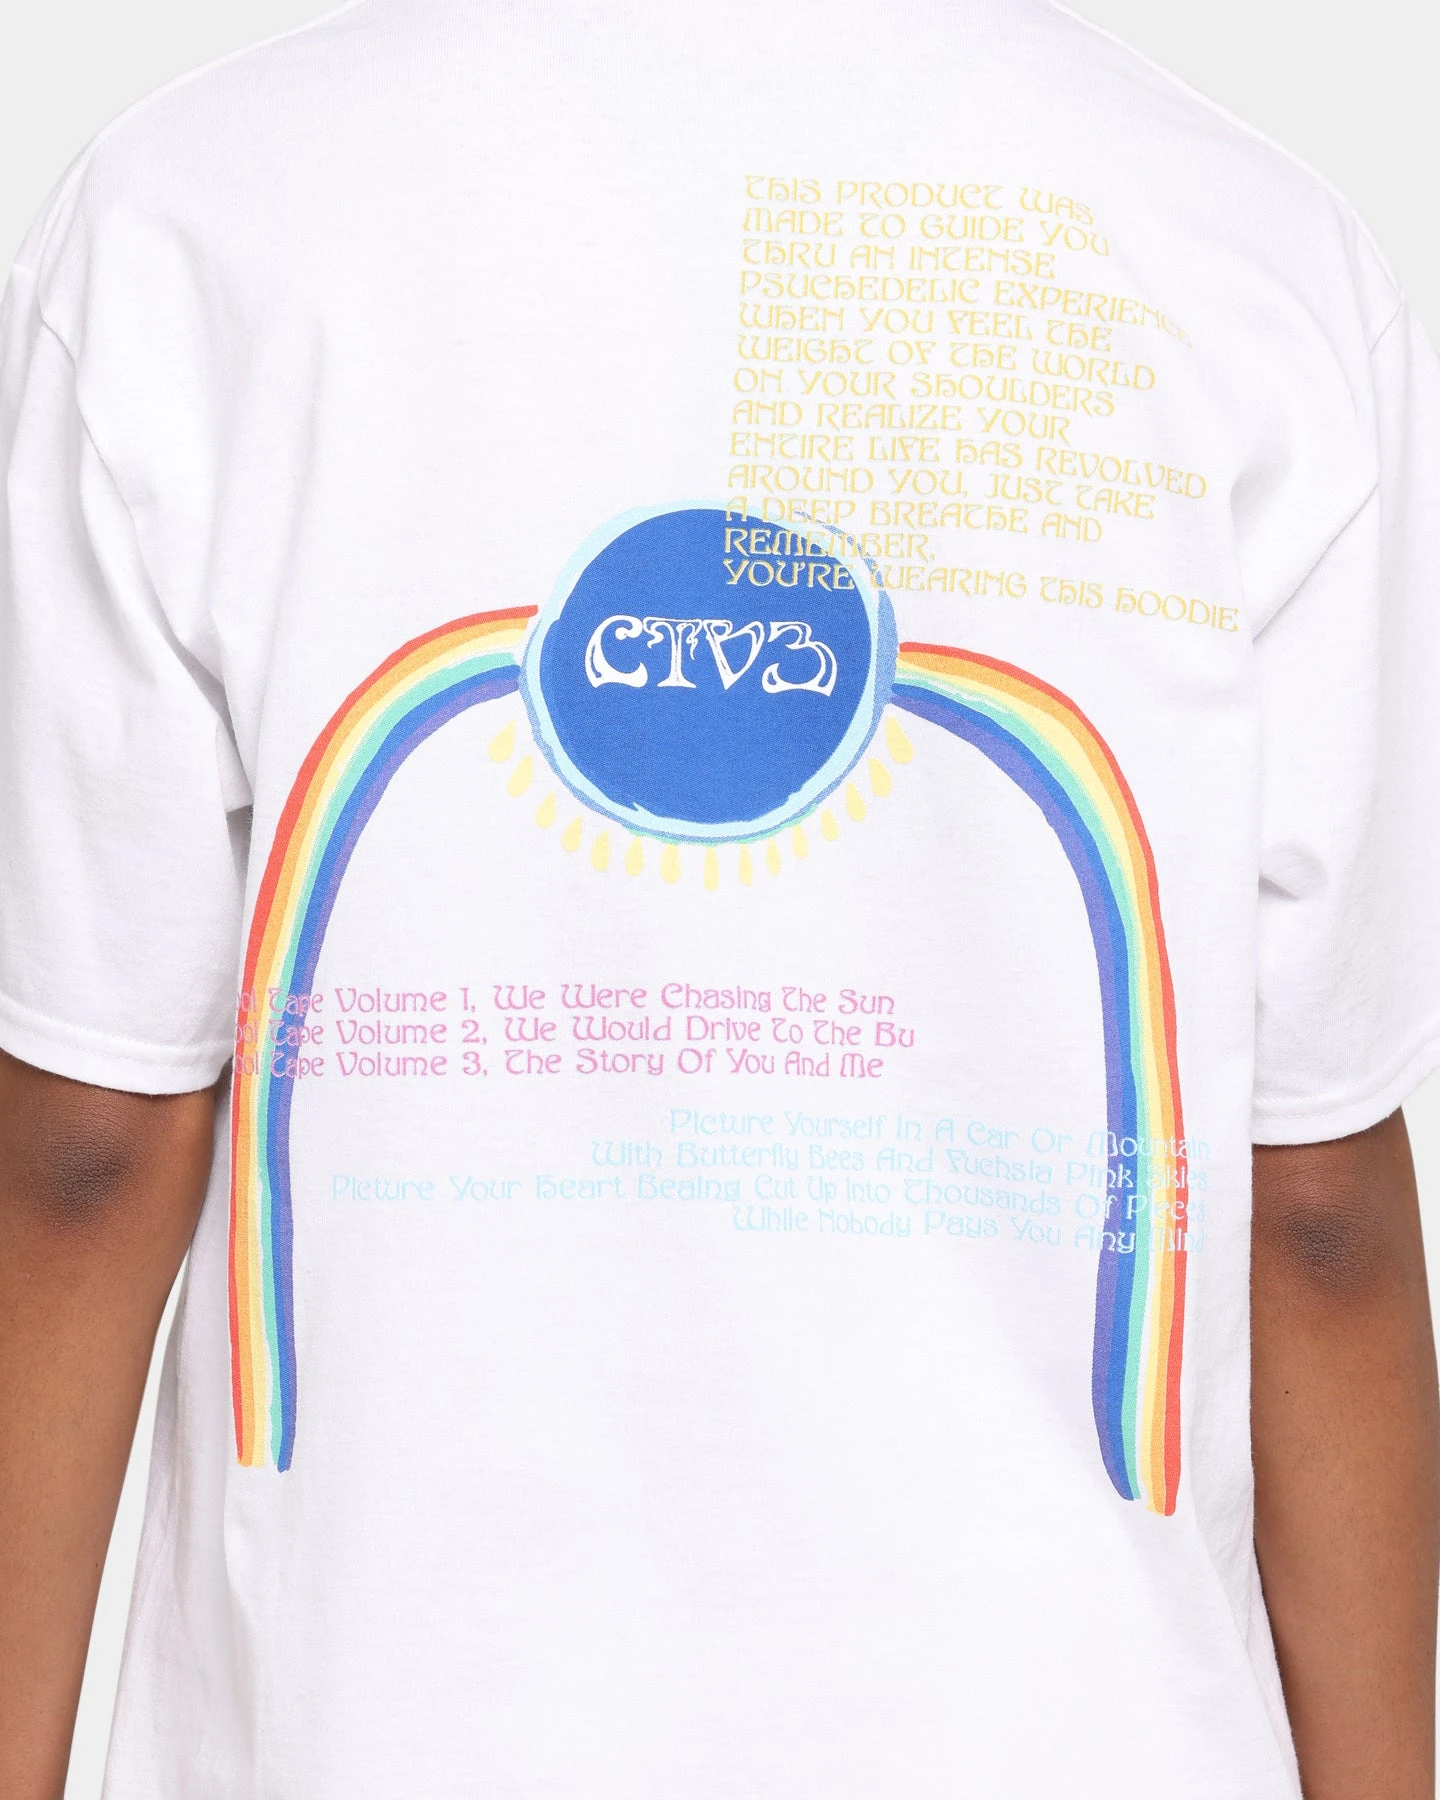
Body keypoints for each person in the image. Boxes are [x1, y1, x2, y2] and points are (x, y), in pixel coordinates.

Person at [2, 1, 1437, 1795]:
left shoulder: (194, 211)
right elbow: (1315, 1207)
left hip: (379, 1723)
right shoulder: (1249, 249)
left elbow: (89, 1147)